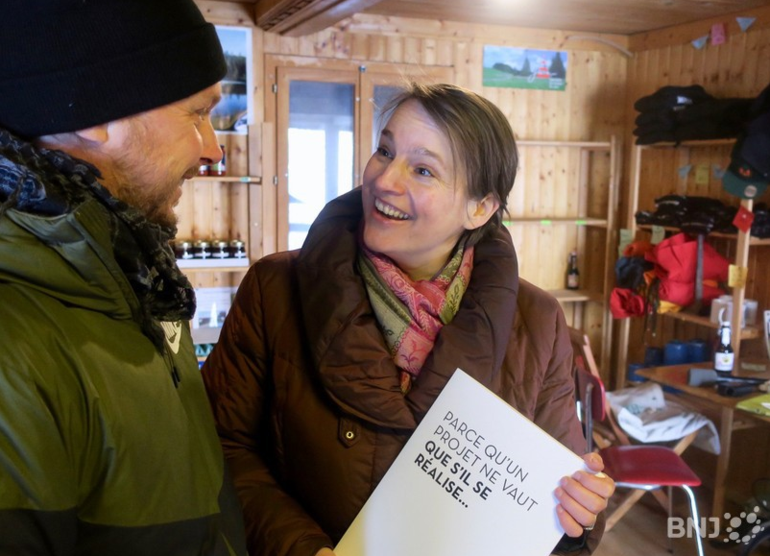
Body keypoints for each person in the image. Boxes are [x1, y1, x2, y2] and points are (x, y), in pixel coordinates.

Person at [202, 82, 615, 556]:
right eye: (384, 151)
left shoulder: (535, 319)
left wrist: (578, 512)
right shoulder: (274, 289)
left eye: (422, 169)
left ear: (479, 208)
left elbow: (552, 490)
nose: (383, 180)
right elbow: (222, 449)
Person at [0, 1, 248, 554]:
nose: (211, 149)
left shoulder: (134, 274)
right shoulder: (13, 347)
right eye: (196, 114)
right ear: (96, 112)